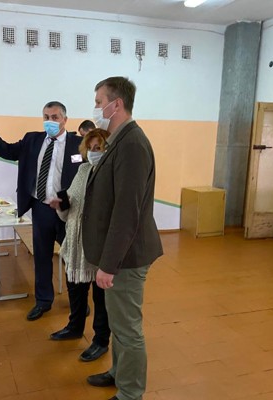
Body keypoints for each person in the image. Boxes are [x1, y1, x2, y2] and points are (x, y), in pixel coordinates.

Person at [82, 77, 163, 400]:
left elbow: (127, 212)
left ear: (116, 104)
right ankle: (119, 372)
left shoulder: (132, 145)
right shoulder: (119, 140)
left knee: (127, 328)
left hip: (126, 258)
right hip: (117, 254)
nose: (96, 108)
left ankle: (130, 392)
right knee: (118, 322)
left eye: (99, 102)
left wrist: (109, 265)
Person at [0, 102, 83, 321]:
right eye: (46, 117)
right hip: (41, 207)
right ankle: (43, 301)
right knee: (42, 256)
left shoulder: (78, 144)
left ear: (65, 119)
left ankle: (78, 302)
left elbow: (87, 175)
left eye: (55, 117)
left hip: (69, 210)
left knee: (72, 258)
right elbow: (8, 151)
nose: (50, 121)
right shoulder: (32, 139)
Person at [49, 128, 111, 362]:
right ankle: (74, 327)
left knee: (101, 298)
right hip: (75, 243)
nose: (94, 152)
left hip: (97, 245)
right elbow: (71, 206)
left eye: (99, 148)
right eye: (91, 148)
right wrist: (61, 204)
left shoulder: (112, 174)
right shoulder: (83, 170)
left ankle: (101, 340)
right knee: (75, 289)